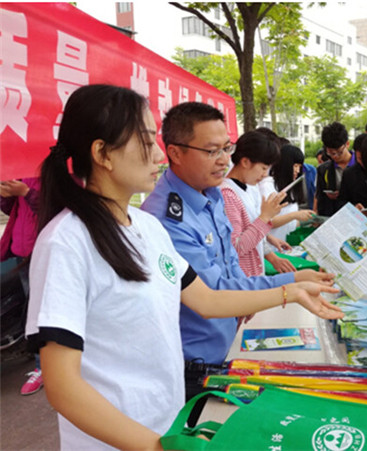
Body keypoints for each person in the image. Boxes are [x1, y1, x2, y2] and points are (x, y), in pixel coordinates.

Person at [24, 84, 342, 450]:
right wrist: (159, 447)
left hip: (167, 422)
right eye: (146, 141)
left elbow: (207, 300)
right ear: (102, 153)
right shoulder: (66, 243)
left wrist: (292, 291)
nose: (159, 154)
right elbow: (63, 387)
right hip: (118, 441)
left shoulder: (147, 228)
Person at [141, 102, 334, 392]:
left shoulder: (212, 193)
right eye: (211, 151)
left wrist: (292, 279)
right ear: (175, 153)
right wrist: (290, 285)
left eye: (226, 148)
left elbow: (231, 264)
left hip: (226, 341)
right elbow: (213, 293)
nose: (224, 161)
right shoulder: (166, 219)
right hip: (193, 362)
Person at [221, 130, 297, 276]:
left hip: (253, 275)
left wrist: (272, 257)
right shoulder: (227, 195)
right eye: (263, 168)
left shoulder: (248, 187)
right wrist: (265, 217)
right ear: (245, 162)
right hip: (241, 279)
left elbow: (252, 230)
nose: (264, 174)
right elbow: (237, 247)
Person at [1, 177, 43, 395]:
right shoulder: (20, 172)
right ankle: (41, 366)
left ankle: (48, 366)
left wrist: (27, 192)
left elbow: (58, 209)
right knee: (33, 314)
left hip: (46, 251)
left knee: (48, 312)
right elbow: (13, 210)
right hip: (22, 253)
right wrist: (6, 195)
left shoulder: (56, 169)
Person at [259, 143, 315, 244]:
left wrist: (308, 220)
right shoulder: (267, 186)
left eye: (300, 167)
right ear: (285, 165)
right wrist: (295, 215)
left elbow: (289, 222)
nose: (297, 171)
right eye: (295, 166)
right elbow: (266, 221)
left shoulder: (290, 187)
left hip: (286, 245)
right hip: (270, 247)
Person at [314, 122, 356, 216]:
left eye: (339, 152)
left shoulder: (360, 165)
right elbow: (320, 197)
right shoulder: (323, 169)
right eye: (331, 153)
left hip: (356, 216)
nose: (335, 156)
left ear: (347, 144)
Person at [338, 133, 367, 222]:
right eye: (360, 158)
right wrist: (353, 208)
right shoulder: (349, 173)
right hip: (358, 222)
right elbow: (341, 202)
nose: (364, 162)